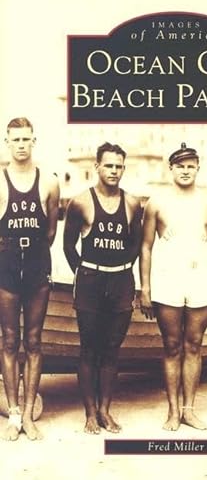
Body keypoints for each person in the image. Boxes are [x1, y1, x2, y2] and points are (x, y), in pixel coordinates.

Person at [140, 142, 207, 431]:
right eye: (180, 166)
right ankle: (173, 411)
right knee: (172, 345)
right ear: (171, 168)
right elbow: (146, 247)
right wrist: (146, 289)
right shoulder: (157, 202)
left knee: (194, 345)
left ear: (198, 169)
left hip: (200, 280)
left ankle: (189, 410)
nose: (186, 171)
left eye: (191, 166)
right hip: (167, 280)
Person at [63, 142, 142, 434]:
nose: (114, 171)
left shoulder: (132, 203)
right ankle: (89, 414)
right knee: (89, 349)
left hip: (121, 281)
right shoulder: (81, 202)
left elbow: (136, 244)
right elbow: (68, 245)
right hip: (91, 282)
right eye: (109, 165)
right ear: (97, 167)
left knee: (111, 350)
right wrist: (84, 274)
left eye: (119, 166)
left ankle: (105, 412)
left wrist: (122, 271)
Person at [0, 117, 60, 440]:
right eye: (16, 139)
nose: (21, 145)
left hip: (37, 262)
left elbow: (50, 231)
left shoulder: (48, 182)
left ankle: (28, 415)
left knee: (34, 340)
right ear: (6, 142)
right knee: (9, 340)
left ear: (34, 141)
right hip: (6, 264)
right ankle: (12, 414)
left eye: (27, 139)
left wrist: (33, 252)